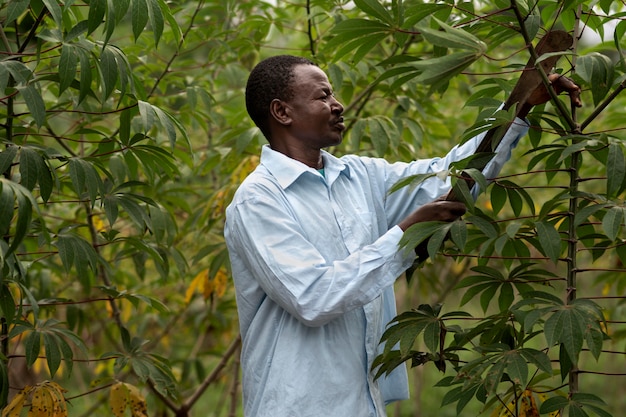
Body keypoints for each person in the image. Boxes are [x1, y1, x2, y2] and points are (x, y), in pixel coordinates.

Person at [224, 55, 580, 417]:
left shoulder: (359, 177)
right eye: (322, 96)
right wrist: (405, 233)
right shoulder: (259, 200)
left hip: (364, 403)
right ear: (282, 112)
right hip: (297, 405)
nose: (337, 105)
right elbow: (313, 297)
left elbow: (451, 177)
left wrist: (517, 108)